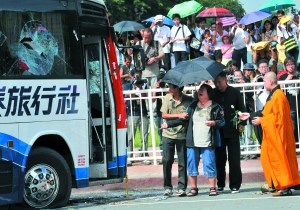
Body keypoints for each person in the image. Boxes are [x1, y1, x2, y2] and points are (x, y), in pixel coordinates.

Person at [239, 72, 300, 196]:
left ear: (271, 82)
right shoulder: (274, 95)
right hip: (273, 135)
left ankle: (284, 187)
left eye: (265, 81)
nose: (264, 84)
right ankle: (276, 184)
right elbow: (266, 112)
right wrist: (250, 115)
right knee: (270, 159)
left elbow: (279, 119)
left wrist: (262, 120)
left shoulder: (278, 96)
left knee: (279, 159)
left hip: (279, 136)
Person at [161, 84, 225, 196]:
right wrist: (168, 125)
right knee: (191, 164)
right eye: (199, 90)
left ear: (208, 94)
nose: (199, 92)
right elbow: (183, 119)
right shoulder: (192, 105)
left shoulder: (216, 107)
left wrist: (214, 123)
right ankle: (194, 188)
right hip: (192, 141)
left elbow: (222, 121)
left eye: (202, 91)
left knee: (209, 163)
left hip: (207, 141)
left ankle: (212, 188)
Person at [213, 71, 246, 193]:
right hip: (218, 131)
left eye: (219, 82)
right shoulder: (213, 94)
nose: (217, 85)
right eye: (215, 82)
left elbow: (242, 110)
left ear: (225, 79)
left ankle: (235, 184)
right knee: (219, 159)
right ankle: (220, 183)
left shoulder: (235, 92)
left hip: (233, 129)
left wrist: (241, 125)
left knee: (234, 159)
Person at [160, 83, 193, 197]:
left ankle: (182, 187)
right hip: (168, 134)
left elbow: (188, 114)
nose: (169, 89)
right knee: (167, 160)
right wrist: (179, 115)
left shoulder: (188, 99)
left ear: (177, 89)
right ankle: (167, 187)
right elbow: (164, 115)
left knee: (182, 162)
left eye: (171, 87)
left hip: (181, 135)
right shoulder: (167, 98)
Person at [126, 70, 150, 165]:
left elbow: (145, 98)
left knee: (144, 135)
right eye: (135, 77)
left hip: (143, 112)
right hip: (132, 113)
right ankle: (130, 157)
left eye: (139, 76)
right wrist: (134, 88)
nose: (137, 78)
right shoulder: (128, 85)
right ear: (131, 77)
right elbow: (130, 97)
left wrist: (140, 88)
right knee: (131, 136)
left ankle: (144, 155)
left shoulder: (144, 84)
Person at [278, 57, 300, 147]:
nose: (291, 66)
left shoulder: (298, 75)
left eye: (292, 64)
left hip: (298, 102)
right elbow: (280, 87)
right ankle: (294, 145)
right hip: (290, 105)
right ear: (285, 67)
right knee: (292, 126)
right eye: (288, 65)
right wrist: (288, 79)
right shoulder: (283, 77)